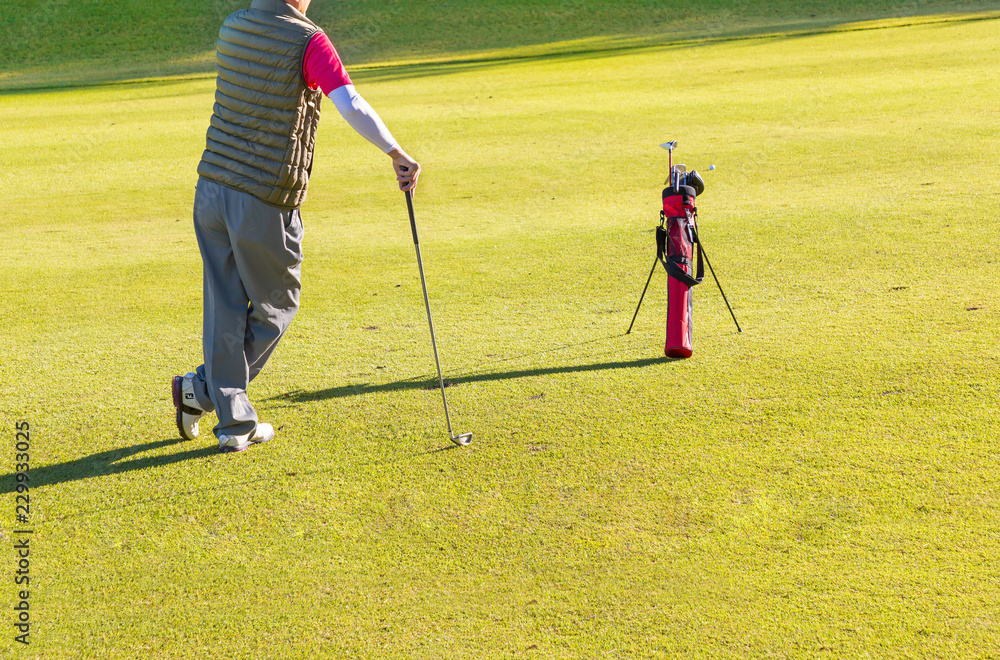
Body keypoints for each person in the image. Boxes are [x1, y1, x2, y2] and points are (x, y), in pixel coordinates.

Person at [171, 0, 419, 452]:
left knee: (224, 305)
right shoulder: (309, 41)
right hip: (262, 196)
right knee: (277, 306)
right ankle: (208, 395)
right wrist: (396, 154)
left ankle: (228, 416)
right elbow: (351, 101)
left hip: (210, 189)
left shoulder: (233, 26)